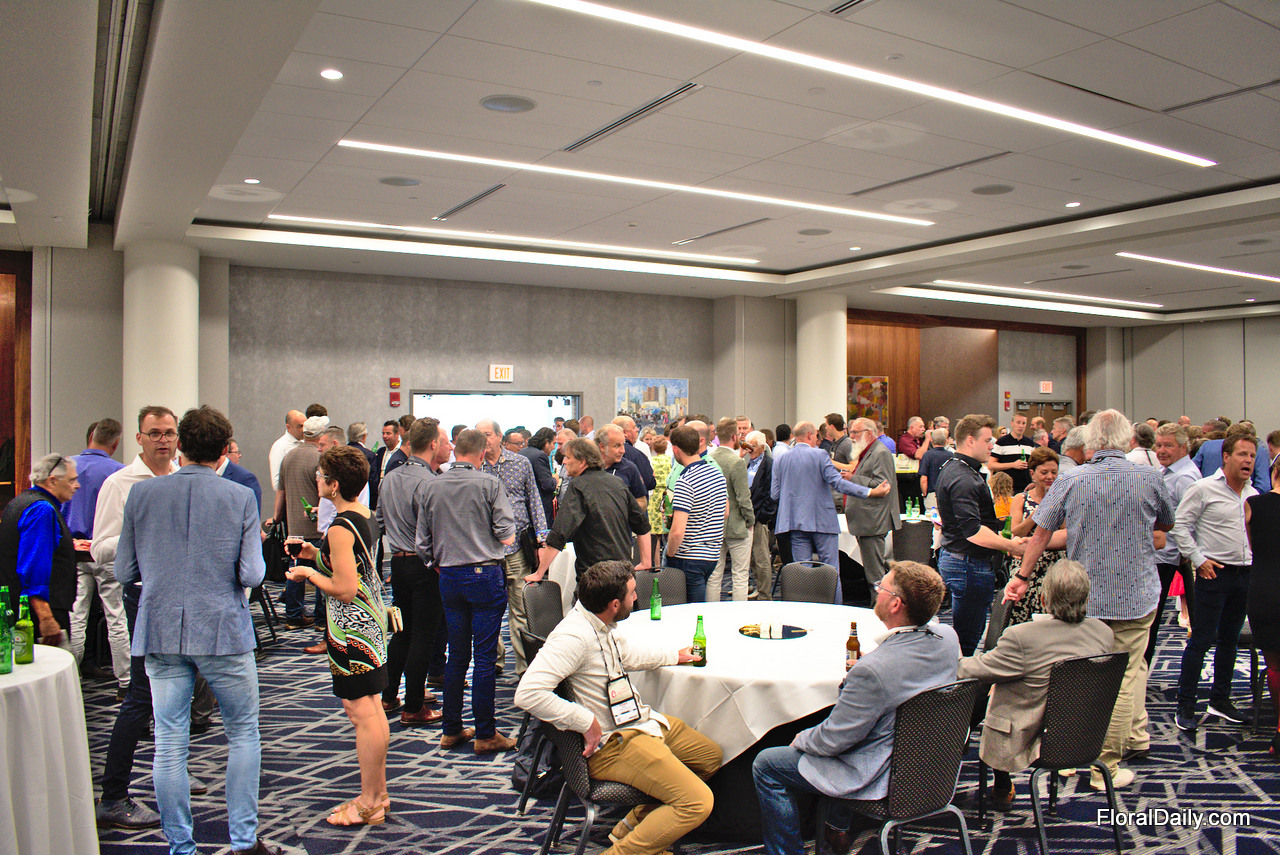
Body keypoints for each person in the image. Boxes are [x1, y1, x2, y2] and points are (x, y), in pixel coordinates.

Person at [114, 406, 277, 855]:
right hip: (223, 630)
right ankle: (243, 841)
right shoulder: (239, 497)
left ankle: (181, 847)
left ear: (180, 446)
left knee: (169, 741)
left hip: (160, 628)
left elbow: (124, 570)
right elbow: (251, 574)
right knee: (242, 733)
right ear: (224, 451)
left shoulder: (141, 495)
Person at [1005, 409, 1175, 791]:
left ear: (1091, 443)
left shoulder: (1071, 479)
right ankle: (1105, 770)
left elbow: (1040, 533)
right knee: (1124, 679)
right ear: (1127, 440)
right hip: (1135, 595)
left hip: (1082, 598)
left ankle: (1066, 759)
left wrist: (1022, 577)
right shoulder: (1150, 478)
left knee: (1073, 675)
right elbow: (1167, 524)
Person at [514, 561, 721, 855]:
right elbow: (528, 694)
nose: (636, 598)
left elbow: (627, 654)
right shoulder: (573, 637)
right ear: (614, 604)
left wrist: (674, 656)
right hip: (612, 743)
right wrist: (584, 720)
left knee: (710, 758)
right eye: (632, 593)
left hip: (637, 721)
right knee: (696, 802)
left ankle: (632, 824)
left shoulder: (601, 623)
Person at [752, 561, 959, 855]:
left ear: (895, 604)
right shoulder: (948, 639)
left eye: (881, 587)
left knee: (768, 763)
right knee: (863, 726)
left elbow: (833, 740)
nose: (877, 592)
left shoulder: (874, 671)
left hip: (881, 774)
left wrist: (799, 738)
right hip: (934, 767)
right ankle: (837, 827)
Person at [286, 445, 390, 825]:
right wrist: (315, 554)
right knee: (371, 707)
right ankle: (378, 795)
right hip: (369, 623)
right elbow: (354, 566)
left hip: (351, 630)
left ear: (333, 485)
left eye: (320, 475)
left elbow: (344, 588)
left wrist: (308, 574)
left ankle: (369, 802)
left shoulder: (339, 527)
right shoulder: (363, 514)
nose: (316, 479)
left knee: (362, 711)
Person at [959, 559, 1113, 811]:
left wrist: (946, 655)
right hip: (1083, 734)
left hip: (1028, 735)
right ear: (1086, 597)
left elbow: (974, 670)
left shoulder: (1023, 637)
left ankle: (991, 775)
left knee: (995, 687)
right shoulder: (1103, 632)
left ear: (1043, 599)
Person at [416, 428, 518, 754]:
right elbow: (506, 531)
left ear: (455, 449)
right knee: (485, 657)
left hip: (449, 576)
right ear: (482, 452)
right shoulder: (490, 484)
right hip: (484, 575)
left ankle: (451, 729)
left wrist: (437, 563)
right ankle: (486, 733)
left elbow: (422, 543)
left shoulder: (431, 485)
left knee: (457, 655)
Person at [1169, 433, 1258, 732]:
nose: (1248, 461)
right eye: (1242, 454)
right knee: (1202, 640)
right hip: (1214, 574)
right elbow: (1180, 527)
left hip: (1244, 574)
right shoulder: (1204, 488)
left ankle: (1220, 700)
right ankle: (1186, 705)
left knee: (1230, 641)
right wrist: (1198, 559)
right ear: (1226, 457)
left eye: (1252, 456)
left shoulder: (1253, 495)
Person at [375, 418, 444, 725]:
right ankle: (414, 706)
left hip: (398, 565)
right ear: (433, 444)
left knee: (402, 632)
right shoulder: (430, 482)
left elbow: (379, 521)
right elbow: (435, 530)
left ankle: (389, 695)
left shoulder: (389, 477)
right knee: (423, 637)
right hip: (424, 565)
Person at [935, 414, 1024, 656]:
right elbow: (973, 531)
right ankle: (959, 680)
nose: (992, 445)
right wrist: (1011, 546)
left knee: (964, 635)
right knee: (967, 641)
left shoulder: (955, 468)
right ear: (970, 440)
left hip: (960, 558)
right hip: (968, 564)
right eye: (987, 440)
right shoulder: (963, 477)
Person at [771, 421, 887, 602]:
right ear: (810, 435)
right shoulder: (820, 455)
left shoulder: (781, 459)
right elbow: (838, 483)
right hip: (822, 521)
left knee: (802, 573)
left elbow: (775, 494)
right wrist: (869, 492)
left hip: (794, 523)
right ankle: (835, 611)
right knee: (831, 571)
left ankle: (805, 611)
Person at [526, 438, 651, 584]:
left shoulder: (578, 486)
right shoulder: (617, 482)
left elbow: (559, 533)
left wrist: (539, 573)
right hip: (624, 573)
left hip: (595, 577)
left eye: (568, 457)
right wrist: (646, 561)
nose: (564, 461)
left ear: (582, 462)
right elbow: (642, 524)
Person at [63, 418, 128, 684]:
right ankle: (125, 680)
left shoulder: (66, 467)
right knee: (116, 616)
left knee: (76, 614)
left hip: (74, 551)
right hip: (108, 551)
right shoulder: (120, 474)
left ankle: (70, 676)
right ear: (116, 443)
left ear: (91, 437)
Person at [0, 452, 81, 644]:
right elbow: (34, 567)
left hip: (17, 609)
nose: (77, 485)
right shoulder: (41, 510)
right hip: (36, 615)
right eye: (71, 480)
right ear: (52, 481)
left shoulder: (20, 501)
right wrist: (46, 618)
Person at [1148, 423, 1202, 664]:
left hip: (1167, 556)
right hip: (1161, 553)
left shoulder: (1185, 477)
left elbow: (1192, 521)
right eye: (1158, 445)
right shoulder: (1166, 472)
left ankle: (1143, 668)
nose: (1161, 450)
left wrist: (1186, 552)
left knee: (1151, 618)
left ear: (1183, 447)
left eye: (1168, 445)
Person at [271, 415, 327, 631]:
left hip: (293, 526)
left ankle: (293, 616)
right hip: (316, 527)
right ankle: (321, 619)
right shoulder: (321, 458)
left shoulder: (289, 456)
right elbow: (324, 493)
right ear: (321, 435)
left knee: (295, 571)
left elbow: (281, 492)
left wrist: (276, 518)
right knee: (322, 571)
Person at [1003, 448, 1066, 628]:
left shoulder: (1061, 499)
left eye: (1054, 472)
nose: (1050, 477)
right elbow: (1015, 532)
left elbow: (1066, 532)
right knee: (1020, 615)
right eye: (1044, 472)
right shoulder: (1021, 499)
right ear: (1032, 473)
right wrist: (1036, 516)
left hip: (1052, 565)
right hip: (1026, 564)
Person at [665, 426, 728, 603]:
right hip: (712, 555)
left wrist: (669, 554)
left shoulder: (686, 481)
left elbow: (677, 531)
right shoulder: (717, 474)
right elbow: (725, 511)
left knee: (688, 610)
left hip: (688, 556)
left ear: (675, 449)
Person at [1245, 456, 1280, 757]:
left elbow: (1254, 547)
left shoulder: (1253, 505)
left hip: (1264, 589)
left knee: (1275, 666)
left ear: (1274, 472)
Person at [844, 417, 901, 590]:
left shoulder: (880, 452)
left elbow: (883, 485)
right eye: (850, 432)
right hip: (865, 520)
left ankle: (880, 605)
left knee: (875, 576)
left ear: (869, 433)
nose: (851, 436)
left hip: (873, 521)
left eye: (855, 432)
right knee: (872, 572)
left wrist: (853, 478)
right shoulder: (867, 452)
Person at [707, 418, 755, 602]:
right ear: (734, 436)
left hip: (714, 524)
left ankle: (710, 612)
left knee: (714, 576)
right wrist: (750, 520)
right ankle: (738, 615)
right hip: (737, 525)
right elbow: (743, 497)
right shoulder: (737, 462)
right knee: (740, 576)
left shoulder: (709, 459)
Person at [744, 430, 777, 601]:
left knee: (761, 558)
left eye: (753, 446)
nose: (749, 449)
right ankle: (758, 588)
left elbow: (772, 494)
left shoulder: (769, 465)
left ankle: (765, 595)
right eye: (747, 445)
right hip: (748, 517)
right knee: (750, 558)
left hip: (759, 518)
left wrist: (764, 517)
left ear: (763, 447)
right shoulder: (747, 464)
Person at [520, 427, 558, 525]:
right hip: (540, 508)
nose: (554, 447)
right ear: (546, 442)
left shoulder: (521, 452)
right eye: (553, 443)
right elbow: (547, 485)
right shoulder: (540, 456)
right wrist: (555, 480)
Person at [989, 413, 1034, 494]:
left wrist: (1033, 482)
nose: (1021, 426)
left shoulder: (1030, 443)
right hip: (1006, 488)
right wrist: (1013, 465)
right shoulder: (1001, 442)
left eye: (1023, 423)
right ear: (1012, 423)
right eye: (1018, 422)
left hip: (1024, 488)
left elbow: (1033, 466)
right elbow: (991, 465)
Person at [646, 434, 673, 563]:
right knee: (669, 530)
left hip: (654, 496)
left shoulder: (651, 461)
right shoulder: (670, 461)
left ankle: (656, 565)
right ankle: (668, 562)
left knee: (655, 535)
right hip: (667, 495)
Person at [217, 437, 263, 513]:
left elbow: (253, 514)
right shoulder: (206, 475)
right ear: (226, 453)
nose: (240, 456)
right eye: (237, 452)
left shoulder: (246, 478)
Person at [613, 415, 657, 492]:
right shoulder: (636, 455)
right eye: (633, 427)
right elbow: (649, 482)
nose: (637, 429)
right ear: (624, 432)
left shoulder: (603, 452)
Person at [267, 409, 305, 492]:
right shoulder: (280, 447)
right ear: (288, 427)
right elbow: (276, 483)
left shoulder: (306, 443)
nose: (304, 430)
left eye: (305, 426)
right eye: (300, 426)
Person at [918, 428, 953, 511]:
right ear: (946, 441)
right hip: (948, 495)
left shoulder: (927, 455)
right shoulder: (951, 455)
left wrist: (924, 494)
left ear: (931, 441)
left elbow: (924, 479)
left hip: (932, 495)